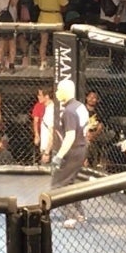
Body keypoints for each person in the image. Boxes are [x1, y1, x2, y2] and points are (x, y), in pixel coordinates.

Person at [50, 78, 89, 228]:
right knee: (69, 183)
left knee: (58, 185)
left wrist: (59, 155)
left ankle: (71, 216)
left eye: (59, 90)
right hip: (81, 148)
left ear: (65, 92)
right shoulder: (80, 106)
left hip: (72, 150)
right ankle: (79, 214)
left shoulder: (69, 111)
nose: (56, 93)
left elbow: (70, 136)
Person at [33, 0, 69, 70]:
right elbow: (65, 5)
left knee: (43, 41)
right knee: (58, 42)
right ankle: (58, 63)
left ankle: (43, 62)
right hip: (56, 18)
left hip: (43, 17)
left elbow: (36, 3)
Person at [84, 89, 118, 171]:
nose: (92, 99)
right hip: (84, 133)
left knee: (111, 133)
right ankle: (86, 161)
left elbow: (100, 126)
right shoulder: (82, 110)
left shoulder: (99, 111)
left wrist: (94, 135)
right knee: (87, 142)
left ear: (97, 100)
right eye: (90, 97)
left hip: (96, 134)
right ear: (86, 97)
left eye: (94, 97)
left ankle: (99, 160)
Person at [31, 85, 55, 165]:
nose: (38, 97)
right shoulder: (49, 108)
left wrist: (47, 152)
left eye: (40, 95)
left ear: (47, 96)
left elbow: (52, 132)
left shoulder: (51, 110)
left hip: (50, 149)